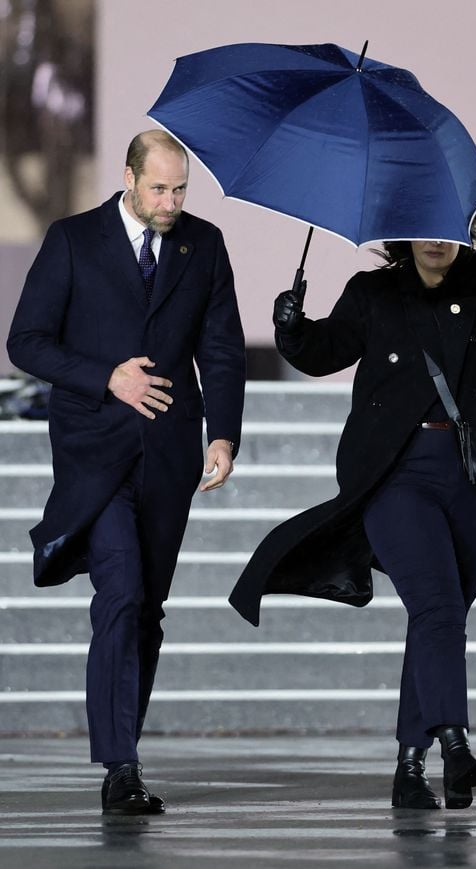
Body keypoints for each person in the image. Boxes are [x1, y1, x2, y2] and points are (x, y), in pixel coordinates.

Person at [229, 174, 476, 809]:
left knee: (439, 615)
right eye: (426, 228)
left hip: (472, 480)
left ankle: (411, 768)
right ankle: (455, 746)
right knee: (437, 609)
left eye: (451, 227)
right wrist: (292, 325)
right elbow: (324, 354)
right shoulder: (374, 293)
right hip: (393, 478)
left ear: (467, 231)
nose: (438, 240)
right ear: (404, 235)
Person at [7, 130, 246, 814]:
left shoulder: (205, 244)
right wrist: (105, 376)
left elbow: (222, 348)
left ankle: (124, 753)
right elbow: (26, 339)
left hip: (169, 455)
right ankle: (121, 766)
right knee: (120, 591)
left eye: (179, 190)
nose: (170, 202)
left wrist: (224, 433)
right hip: (94, 453)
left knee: (148, 609)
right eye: (158, 188)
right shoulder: (73, 239)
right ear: (129, 178)